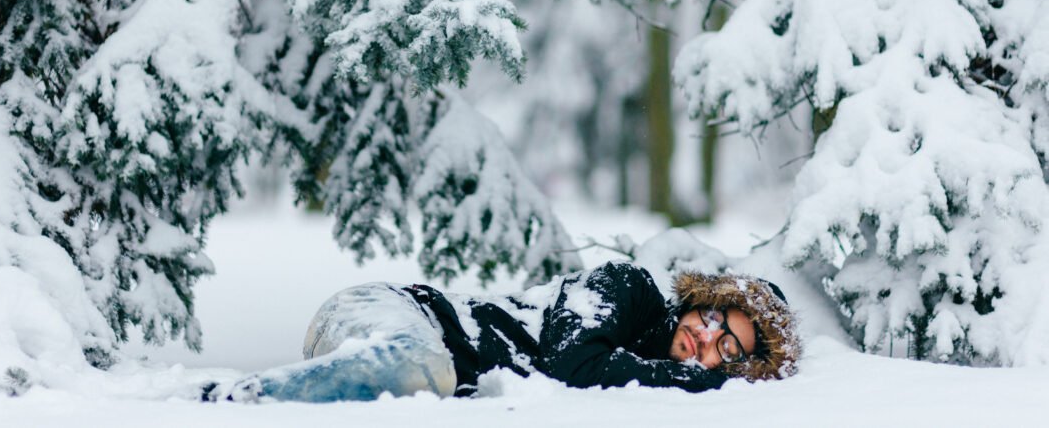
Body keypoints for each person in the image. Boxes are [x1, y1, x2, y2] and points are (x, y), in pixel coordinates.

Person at [205, 261, 800, 403]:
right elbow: (573, 363)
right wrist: (690, 378)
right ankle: (239, 404)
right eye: (715, 320)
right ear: (702, 300)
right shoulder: (629, 288)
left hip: (384, 358)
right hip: (387, 313)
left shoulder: (646, 371)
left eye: (729, 350)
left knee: (422, 380)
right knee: (423, 367)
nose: (707, 340)